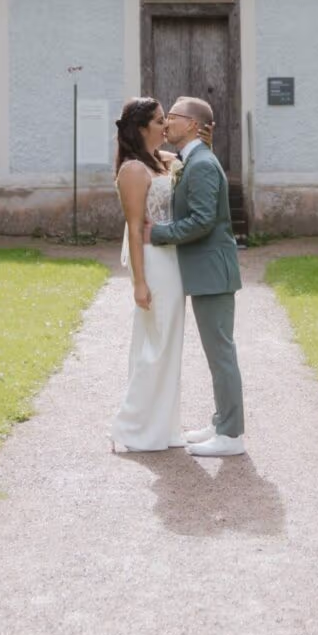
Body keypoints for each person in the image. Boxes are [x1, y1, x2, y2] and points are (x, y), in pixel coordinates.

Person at [147, 96, 245, 457]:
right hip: (205, 272)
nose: (166, 123)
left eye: (171, 117)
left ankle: (232, 436)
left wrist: (156, 233)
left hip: (212, 272)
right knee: (216, 352)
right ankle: (221, 422)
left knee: (221, 353)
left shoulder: (202, 163)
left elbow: (203, 221)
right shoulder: (194, 159)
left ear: (191, 124)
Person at [110, 97, 186, 452]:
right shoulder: (132, 171)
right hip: (154, 263)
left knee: (168, 344)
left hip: (172, 259)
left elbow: (179, 161)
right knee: (156, 345)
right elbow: (135, 227)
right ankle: (131, 425)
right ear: (141, 128)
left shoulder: (161, 162)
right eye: (158, 121)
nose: (165, 126)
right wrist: (139, 282)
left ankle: (163, 426)